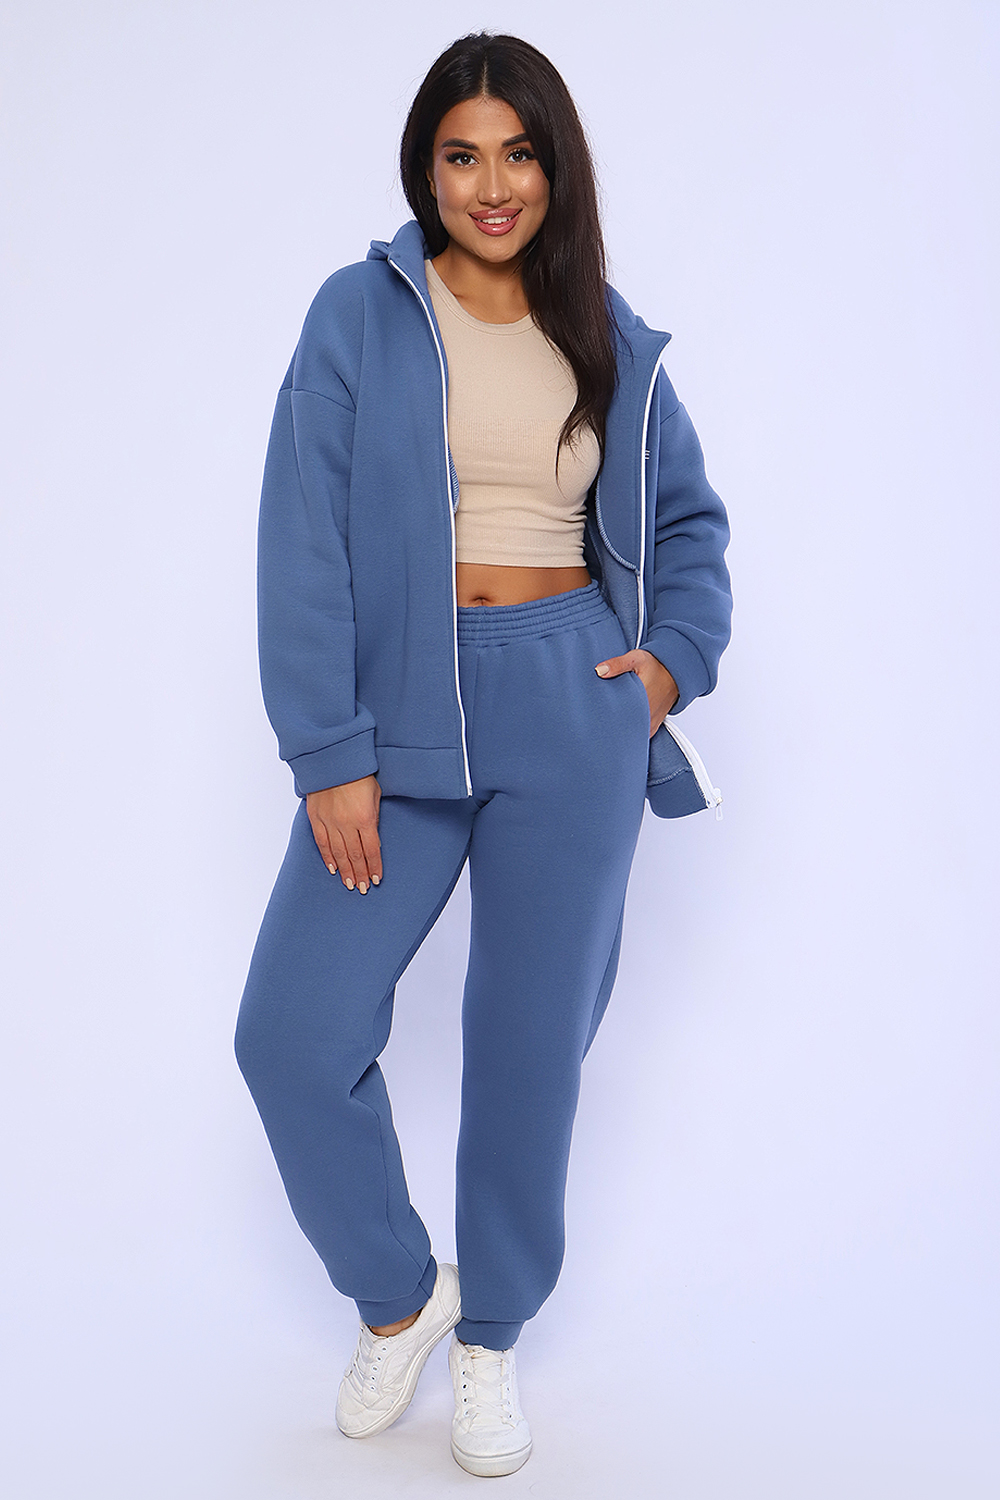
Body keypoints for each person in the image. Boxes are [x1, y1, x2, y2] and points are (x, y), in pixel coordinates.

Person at [235, 31, 732, 1479]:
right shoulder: (361, 314)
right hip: (399, 713)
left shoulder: (603, 329)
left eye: (519, 153)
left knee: (528, 1050)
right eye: (463, 154)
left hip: (571, 699)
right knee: (291, 1036)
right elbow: (302, 539)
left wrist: (664, 667)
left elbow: (691, 524)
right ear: (426, 168)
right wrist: (328, 750)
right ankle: (403, 1299)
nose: (492, 184)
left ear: (555, 167)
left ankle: (493, 1338)